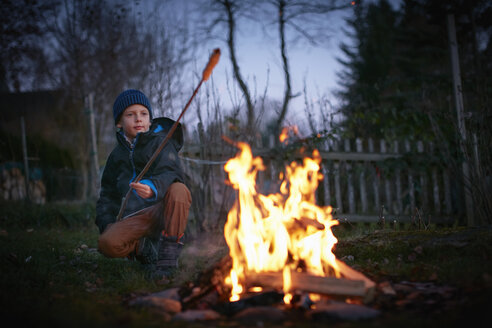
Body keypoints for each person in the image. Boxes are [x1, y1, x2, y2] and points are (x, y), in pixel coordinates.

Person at [95, 89, 191, 279]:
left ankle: (168, 258)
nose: (138, 119)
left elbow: (172, 173)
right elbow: (107, 194)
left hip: (162, 210)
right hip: (134, 217)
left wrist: (153, 187)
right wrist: (107, 224)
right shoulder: (115, 157)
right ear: (119, 122)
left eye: (143, 114)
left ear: (149, 120)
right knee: (106, 243)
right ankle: (144, 249)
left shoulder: (161, 144)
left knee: (179, 190)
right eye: (130, 114)